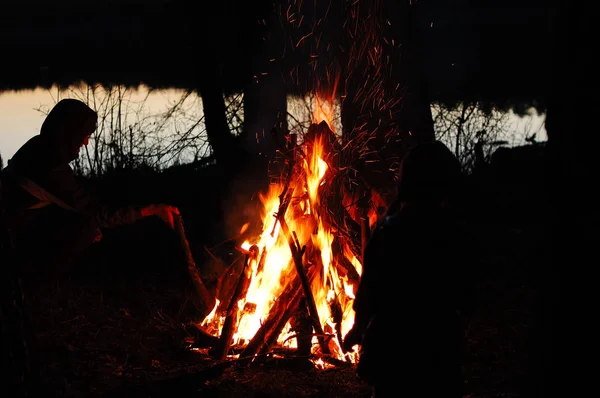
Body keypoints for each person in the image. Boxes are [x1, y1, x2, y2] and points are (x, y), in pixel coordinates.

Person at [343, 140, 474, 397]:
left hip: (393, 349)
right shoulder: (452, 234)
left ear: (403, 185)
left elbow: (369, 291)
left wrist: (359, 329)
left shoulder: (389, 233)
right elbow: (465, 291)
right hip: (439, 349)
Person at [0, 98, 180, 283]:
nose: (86, 142)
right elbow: (97, 213)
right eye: (84, 135)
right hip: (10, 234)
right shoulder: (50, 166)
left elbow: (72, 195)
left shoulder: (40, 147)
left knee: (83, 222)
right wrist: (150, 210)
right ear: (71, 133)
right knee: (88, 229)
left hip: (17, 223)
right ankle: (35, 284)